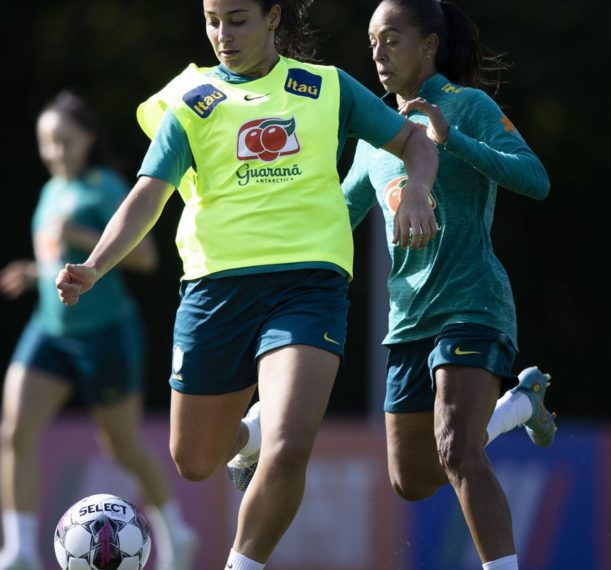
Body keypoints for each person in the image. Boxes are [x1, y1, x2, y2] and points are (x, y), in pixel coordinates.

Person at [54, 0, 440, 567]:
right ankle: (247, 437)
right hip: (216, 291)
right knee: (195, 459)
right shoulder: (190, 104)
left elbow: (415, 142)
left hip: (309, 285)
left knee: (289, 449)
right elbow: (146, 196)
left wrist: (416, 191)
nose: (222, 34)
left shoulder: (327, 87)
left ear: (273, 17)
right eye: (212, 20)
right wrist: (94, 265)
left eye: (237, 19)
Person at [341, 1, 555, 569]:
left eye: (391, 39)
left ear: (429, 45)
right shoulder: (372, 134)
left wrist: (451, 139)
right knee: (411, 479)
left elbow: (536, 180)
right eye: (372, 43)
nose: (378, 54)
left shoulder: (469, 106)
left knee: (458, 449)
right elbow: (338, 216)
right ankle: (517, 408)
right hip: (408, 320)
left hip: (473, 304)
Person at [0, 91, 197, 570]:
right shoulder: (50, 190)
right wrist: (36, 271)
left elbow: (145, 257)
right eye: (47, 143)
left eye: (65, 141)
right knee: (15, 432)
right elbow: (59, 261)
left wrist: (81, 237)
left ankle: (176, 533)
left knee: (121, 446)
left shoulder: (104, 188)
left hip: (105, 334)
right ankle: (19, 551)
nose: (56, 152)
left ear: (89, 139)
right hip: (50, 329)